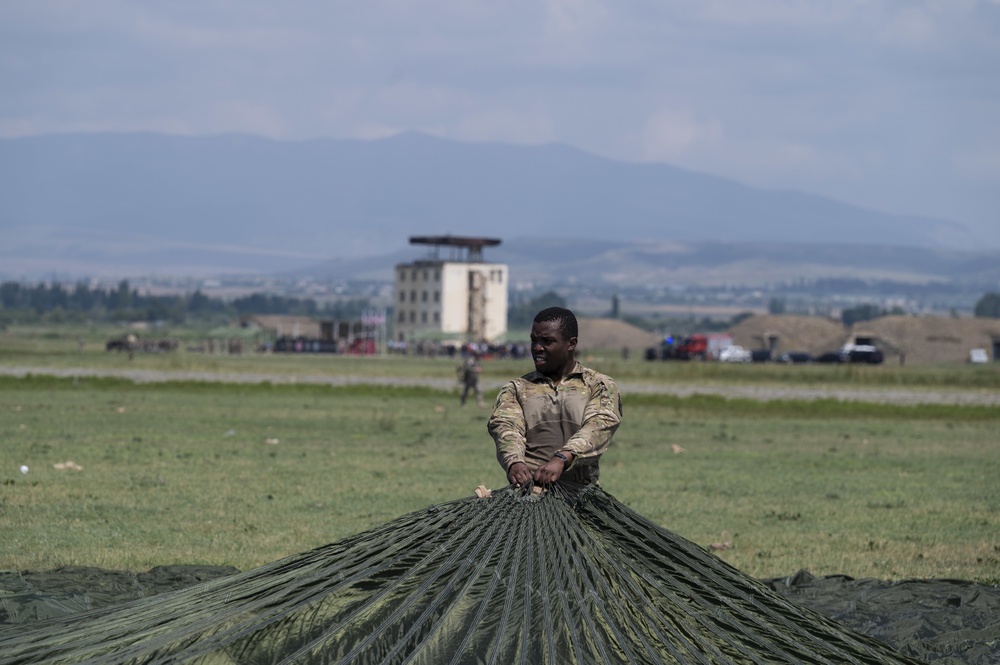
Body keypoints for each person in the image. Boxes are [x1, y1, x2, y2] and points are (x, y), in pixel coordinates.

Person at [487, 307, 622, 491]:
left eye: (547, 341)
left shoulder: (598, 385)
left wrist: (562, 458)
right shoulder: (517, 388)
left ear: (571, 343)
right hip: (530, 495)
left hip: (580, 495)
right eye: (534, 340)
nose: (537, 348)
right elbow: (505, 426)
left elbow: (599, 425)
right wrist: (514, 462)